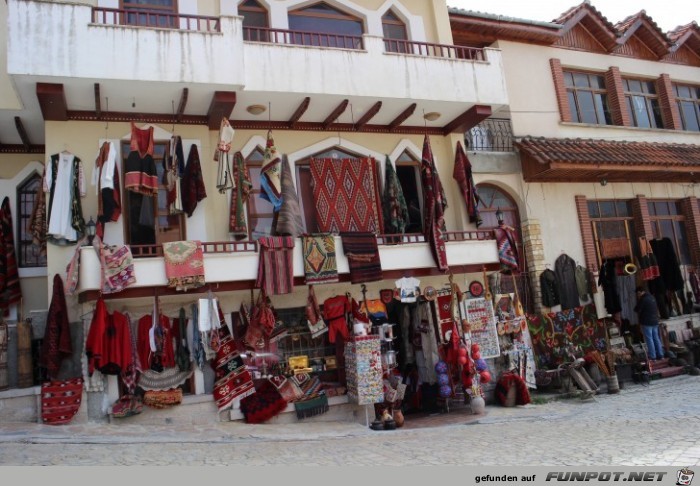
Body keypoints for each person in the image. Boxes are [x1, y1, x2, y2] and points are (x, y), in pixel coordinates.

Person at [634, 286, 665, 361]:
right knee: (656, 338)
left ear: (640, 292)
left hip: (647, 322)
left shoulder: (643, 299)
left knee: (649, 339)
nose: (637, 296)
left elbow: (637, 309)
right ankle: (660, 355)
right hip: (655, 321)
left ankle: (653, 356)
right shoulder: (652, 297)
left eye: (637, 294)